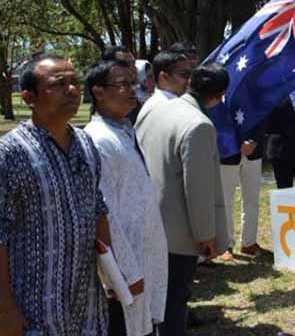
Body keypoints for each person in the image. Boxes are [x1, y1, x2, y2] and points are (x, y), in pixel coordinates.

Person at [0, 55, 111, 336]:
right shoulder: (11, 154)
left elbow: (98, 208)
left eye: (75, 82)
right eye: (59, 84)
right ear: (29, 97)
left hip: (86, 306)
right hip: (34, 310)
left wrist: (113, 275)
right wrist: (5, 309)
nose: (72, 89)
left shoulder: (85, 143)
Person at [136, 63, 230, 336]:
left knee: (156, 303)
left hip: (148, 219)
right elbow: (198, 188)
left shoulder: (155, 110)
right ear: (219, 95)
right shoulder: (198, 125)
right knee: (174, 302)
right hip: (178, 233)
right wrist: (206, 235)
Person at [85, 60, 167, 336]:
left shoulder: (124, 130)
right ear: (98, 93)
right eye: (122, 85)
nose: (133, 90)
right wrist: (124, 275)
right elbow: (104, 215)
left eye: (133, 83)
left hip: (143, 254)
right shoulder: (98, 140)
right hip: (125, 269)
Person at [218, 135, 271, 261]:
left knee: (252, 200)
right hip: (227, 151)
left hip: (254, 151)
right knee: (225, 201)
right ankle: (226, 246)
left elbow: (261, 118)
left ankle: (249, 243)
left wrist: (253, 140)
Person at [135, 51, 190, 124]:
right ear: (164, 77)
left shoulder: (169, 102)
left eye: (190, 74)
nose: (189, 80)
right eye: (184, 74)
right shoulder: (163, 106)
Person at [102, 46, 140, 124]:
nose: (134, 69)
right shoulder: (106, 108)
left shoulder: (134, 101)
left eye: (134, 63)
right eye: (126, 64)